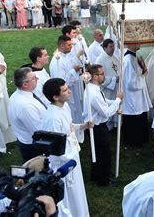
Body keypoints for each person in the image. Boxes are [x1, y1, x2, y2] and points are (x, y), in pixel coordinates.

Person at [41, 78, 93, 217]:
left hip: (72, 156)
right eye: (65, 90)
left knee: (78, 192)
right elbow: (55, 148)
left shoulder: (64, 106)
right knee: (71, 195)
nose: (69, 91)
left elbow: (68, 130)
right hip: (64, 164)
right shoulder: (52, 118)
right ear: (55, 97)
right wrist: (71, 155)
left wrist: (82, 126)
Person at [83, 64, 123, 186]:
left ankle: (96, 174)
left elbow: (104, 101)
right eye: (102, 74)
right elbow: (106, 112)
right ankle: (104, 180)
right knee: (103, 154)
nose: (104, 76)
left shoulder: (94, 88)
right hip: (97, 127)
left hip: (96, 125)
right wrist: (118, 101)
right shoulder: (93, 93)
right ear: (95, 77)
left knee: (98, 152)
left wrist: (114, 105)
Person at [8, 67, 47, 162]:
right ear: (25, 84)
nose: (37, 79)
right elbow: (38, 131)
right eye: (34, 78)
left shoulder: (21, 95)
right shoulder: (26, 106)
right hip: (34, 147)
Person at [122, 44, 152, 147]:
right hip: (133, 95)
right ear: (132, 44)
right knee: (134, 117)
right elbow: (131, 83)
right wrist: (143, 76)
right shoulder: (129, 60)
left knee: (140, 115)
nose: (140, 44)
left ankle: (140, 139)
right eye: (137, 43)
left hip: (137, 95)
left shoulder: (133, 56)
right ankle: (133, 142)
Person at [49, 35, 83, 123]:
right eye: (69, 45)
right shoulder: (57, 61)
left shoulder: (65, 56)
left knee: (76, 109)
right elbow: (60, 81)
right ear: (62, 46)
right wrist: (73, 70)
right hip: (65, 92)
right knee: (71, 112)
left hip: (72, 89)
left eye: (71, 44)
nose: (71, 47)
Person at [95, 39, 120, 130]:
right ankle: (108, 125)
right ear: (105, 48)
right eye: (110, 46)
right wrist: (113, 79)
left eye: (113, 46)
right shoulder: (100, 59)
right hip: (107, 89)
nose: (113, 48)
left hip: (116, 87)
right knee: (108, 105)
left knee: (116, 103)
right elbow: (98, 77)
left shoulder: (115, 57)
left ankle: (116, 124)